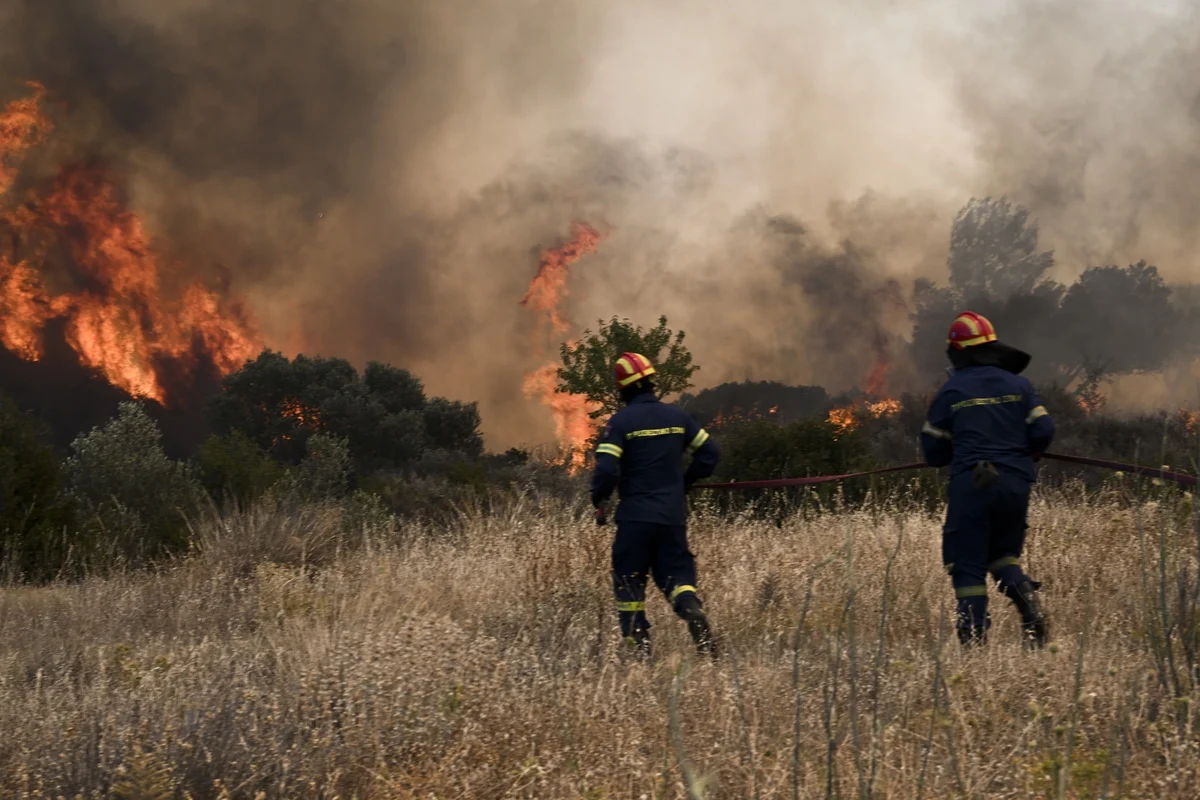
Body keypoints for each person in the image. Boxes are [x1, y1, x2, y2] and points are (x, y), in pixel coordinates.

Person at [920, 311, 1055, 648]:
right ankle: (1025, 597)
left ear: (958, 352)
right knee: (1003, 554)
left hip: (973, 485)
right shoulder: (1019, 385)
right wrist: (1025, 453)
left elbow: (933, 451)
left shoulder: (951, 391)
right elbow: (1043, 429)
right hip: (1015, 484)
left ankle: (973, 639)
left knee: (967, 564)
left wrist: (955, 451)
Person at [590, 352, 721, 659]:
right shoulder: (677, 417)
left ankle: (640, 649)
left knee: (629, 583)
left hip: (635, 520)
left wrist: (599, 497)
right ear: (651, 382)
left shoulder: (621, 422)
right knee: (677, 576)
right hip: (672, 518)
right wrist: (686, 481)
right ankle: (690, 607)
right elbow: (710, 453)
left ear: (622, 389)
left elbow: (607, 469)